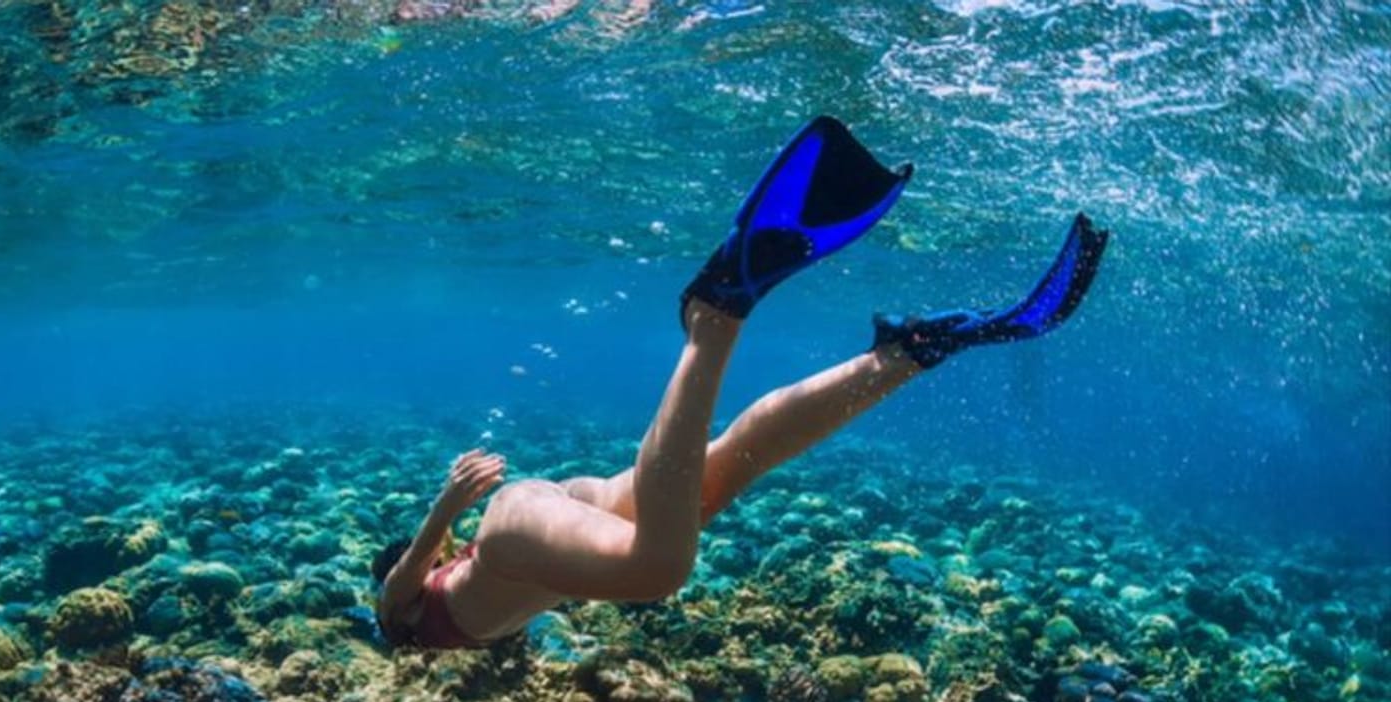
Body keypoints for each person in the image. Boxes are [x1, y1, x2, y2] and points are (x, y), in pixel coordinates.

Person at [374, 116, 1109, 650]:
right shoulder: (460, 602)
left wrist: (446, 508)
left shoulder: (402, 616)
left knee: (659, 569)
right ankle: (908, 353)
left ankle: (714, 315)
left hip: (514, 528)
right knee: (730, 466)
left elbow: (401, 580)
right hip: (553, 521)